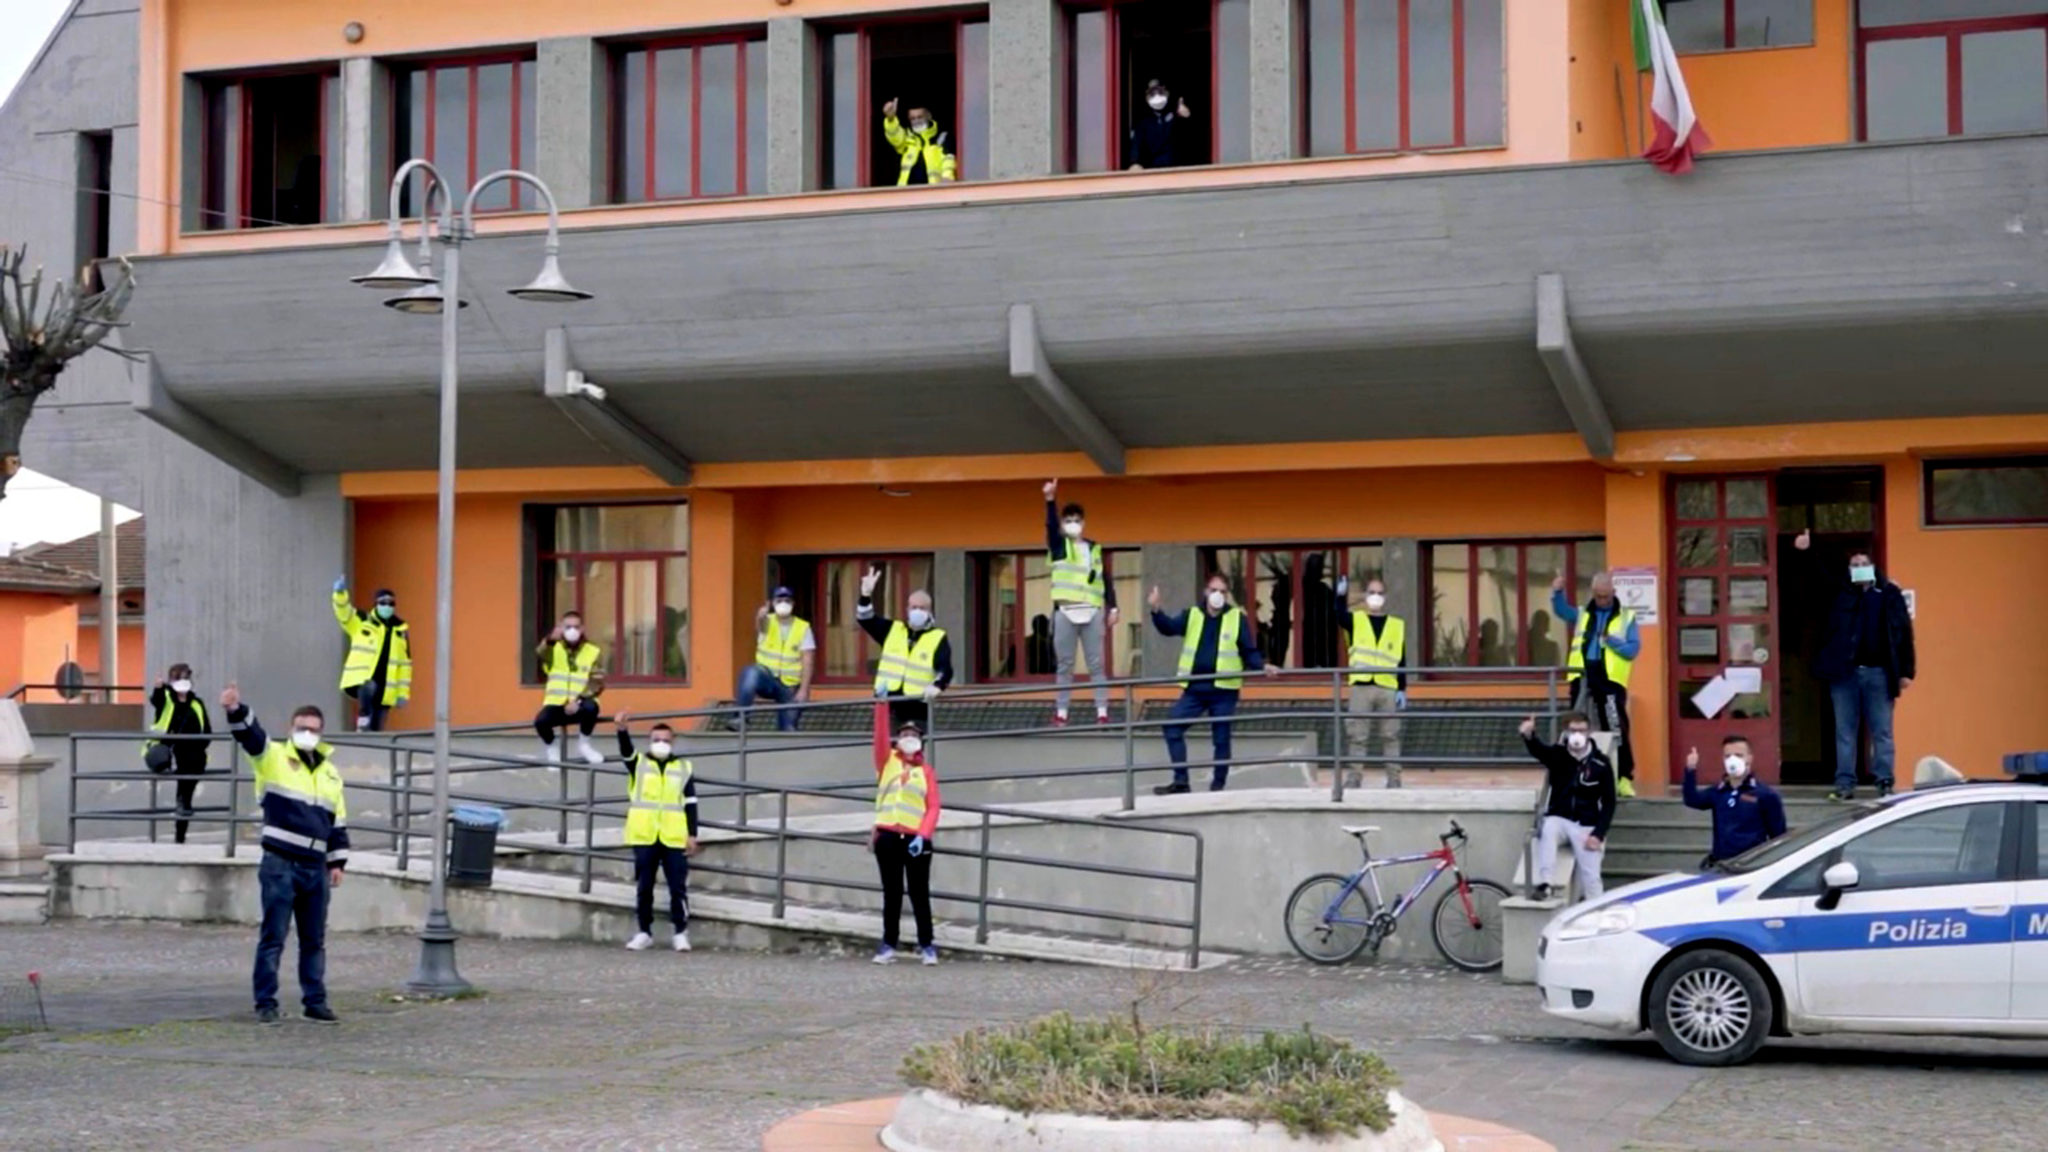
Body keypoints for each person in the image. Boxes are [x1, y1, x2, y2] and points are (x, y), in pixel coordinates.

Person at [220, 683, 347, 1026]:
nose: (308, 734)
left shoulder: (330, 773)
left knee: (314, 940)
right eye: (302, 728)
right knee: (273, 937)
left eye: (314, 730)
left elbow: (337, 821)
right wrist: (235, 709)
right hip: (280, 863)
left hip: (315, 867)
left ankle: (315, 1002)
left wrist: (336, 862)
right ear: (292, 729)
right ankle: (266, 1003)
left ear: (322, 733)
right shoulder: (273, 756)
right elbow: (251, 737)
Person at [1794, 530, 1915, 801]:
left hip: (1880, 674)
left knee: (1882, 731)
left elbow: (1903, 634)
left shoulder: (1889, 594)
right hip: (1845, 674)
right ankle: (1845, 784)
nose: (1859, 569)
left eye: (1864, 564)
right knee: (1845, 731)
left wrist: (1906, 672)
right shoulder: (1838, 594)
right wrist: (1807, 551)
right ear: (1848, 570)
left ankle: (1884, 781)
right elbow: (1816, 577)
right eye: (1855, 565)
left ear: (1873, 567)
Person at [1148, 574, 1276, 794]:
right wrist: (1156, 610)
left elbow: (1248, 651)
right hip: (1195, 689)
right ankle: (1181, 782)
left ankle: (1218, 785)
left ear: (1227, 596)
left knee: (1221, 738)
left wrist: (1262, 666)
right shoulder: (1193, 615)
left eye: (1223, 591)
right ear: (1205, 592)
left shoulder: (1237, 617)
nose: (1218, 595)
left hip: (1224, 691)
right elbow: (1168, 628)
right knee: (1172, 727)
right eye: (1214, 590)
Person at [1550, 571, 1641, 798]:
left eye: (1606, 596)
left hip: (1609, 678)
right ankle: (1570, 773)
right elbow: (1562, 611)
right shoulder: (1583, 613)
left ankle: (1623, 778)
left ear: (1613, 593)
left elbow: (1633, 650)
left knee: (1616, 726)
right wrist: (1557, 592)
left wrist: (1613, 642)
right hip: (1582, 674)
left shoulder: (1626, 617)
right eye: (1598, 596)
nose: (1602, 600)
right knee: (1574, 724)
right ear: (1593, 593)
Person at [614, 711, 698, 953]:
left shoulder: (684, 767)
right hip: (644, 834)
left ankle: (680, 932)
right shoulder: (639, 764)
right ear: (650, 741)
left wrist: (692, 834)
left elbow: (690, 802)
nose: (661, 744)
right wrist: (622, 730)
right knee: (644, 886)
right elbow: (626, 751)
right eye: (656, 739)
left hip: (674, 836)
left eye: (666, 740)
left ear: (673, 742)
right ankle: (644, 932)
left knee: (677, 888)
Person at [1043, 479, 1120, 726]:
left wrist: (1114, 607)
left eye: (1077, 520)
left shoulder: (1095, 549)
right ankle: (1062, 712)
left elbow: (1105, 579)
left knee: (1096, 664)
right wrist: (1050, 500)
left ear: (1083, 523)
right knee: (1064, 665)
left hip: (1092, 612)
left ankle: (1102, 712)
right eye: (1068, 520)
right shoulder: (1059, 547)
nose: (1073, 524)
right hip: (1065, 611)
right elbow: (1050, 526)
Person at [871, 710, 942, 965]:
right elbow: (878, 737)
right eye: (904, 734)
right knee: (892, 892)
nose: (909, 737)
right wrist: (881, 704)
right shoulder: (886, 761)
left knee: (919, 892)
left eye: (914, 734)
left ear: (921, 740)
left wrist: (923, 836)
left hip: (915, 840)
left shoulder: (926, 772)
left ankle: (927, 945)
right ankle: (888, 944)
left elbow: (933, 806)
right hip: (888, 835)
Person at [1520, 712, 1615, 901]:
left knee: (1592, 879)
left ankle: (1596, 914)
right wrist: (1529, 735)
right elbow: (1538, 750)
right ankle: (1545, 883)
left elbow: (1609, 801)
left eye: (1581, 730)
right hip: (1562, 819)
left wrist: (1598, 833)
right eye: (1573, 730)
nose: (1577, 735)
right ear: (1566, 732)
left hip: (1587, 825)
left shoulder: (1600, 763)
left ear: (1589, 732)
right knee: (1549, 827)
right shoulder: (1558, 755)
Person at [856, 567, 954, 733]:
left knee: (911, 751)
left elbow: (945, 669)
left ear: (930, 611)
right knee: (888, 753)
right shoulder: (893, 629)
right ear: (907, 609)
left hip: (916, 706)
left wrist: (938, 685)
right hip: (887, 703)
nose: (917, 611)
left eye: (922, 608)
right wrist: (865, 595)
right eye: (914, 607)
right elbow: (865, 618)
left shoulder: (937, 637)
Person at [1336, 575, 1406, 789]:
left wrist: (1402, 689)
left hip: (1387, 687)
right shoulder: (1356, 620)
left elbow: (1402, 659)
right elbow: (1338, 615)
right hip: (1362, 686)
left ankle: (1394, 779)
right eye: (1371, 592)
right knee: (1357, 735)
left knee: (1391, 735)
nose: (1376, 597)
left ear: (1385, 597)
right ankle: (1354, 777)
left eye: (1379, 593)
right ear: (1365, 596)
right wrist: (1340, 596)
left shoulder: (1396, 625)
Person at [1682, 737, 1787, 865]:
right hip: (1721, 864)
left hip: (1749, 865)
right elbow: (1692, 800)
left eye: (1738, 755)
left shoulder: (1765, 795)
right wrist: (1690, 769)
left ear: (1749, 758)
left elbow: (1778, 836)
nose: (1732, 760)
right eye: (1728, 756)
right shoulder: (1718, 791)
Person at [144, 663, 213, 844]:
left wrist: (199, 743)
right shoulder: (166, 696)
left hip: (193, 753)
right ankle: (181, 817)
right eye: (178, 678)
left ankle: (182, 819)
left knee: (188, 783)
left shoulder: (197, 703)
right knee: (185, 785)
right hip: (167, 750)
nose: (183, 682)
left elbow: (206, 730)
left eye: (185, 677)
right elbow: (156, 701)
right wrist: (158, 688)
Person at [332, 577, 411, 732]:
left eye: (391, 603)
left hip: (387, 686)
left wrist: (403, 693)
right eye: (383, 602)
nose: (387, 606)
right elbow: (344, 613)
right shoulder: (362, 621)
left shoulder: (400, 630)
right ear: (375, 604)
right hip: (364, 679)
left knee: (377, 729)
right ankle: (363, 721)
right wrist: (340, 594)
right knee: (368, 691)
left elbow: (405, 665)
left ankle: (372, 747)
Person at [734, 587, 814, 732]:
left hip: (790, 687)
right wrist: (760, 616)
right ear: (772, 603)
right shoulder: (768, 621)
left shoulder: (803, 627)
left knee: (788, 730)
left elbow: (807, 660)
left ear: (793, 604)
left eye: (787, 600)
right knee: (750, 672)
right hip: (767, 679)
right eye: (779, 600)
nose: (783, 603)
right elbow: (760, 625)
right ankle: (741, 717)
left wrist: (803, 690)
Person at [535, 610, 606, 765]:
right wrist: (549, 640)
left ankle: (584, 744)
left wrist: (578, 701)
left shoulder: (593, 651)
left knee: (591, 708)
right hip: (556, 703)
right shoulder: (553, 648)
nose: (572, 631)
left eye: (576, 627)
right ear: (561, 628)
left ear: (582, 629)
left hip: (580, 704)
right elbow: (540, 654)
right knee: (541, 722)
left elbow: (597, 681)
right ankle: (552, 749)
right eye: (568, 627)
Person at [881, 98, 956, 186]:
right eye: (912, 118)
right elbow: (895, 137)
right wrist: (891, 119)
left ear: (929, 116)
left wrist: (947, 177)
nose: (916, 121)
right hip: (905, 194)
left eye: (920, 117)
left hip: (934, 192)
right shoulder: (907, 138)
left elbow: (948, 159)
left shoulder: (941, 136)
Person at [1125, 79, 1194, 170]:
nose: (1157, 96)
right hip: (1155, 169)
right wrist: (1135, 162)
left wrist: (1187, 117)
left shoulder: (1177, 113)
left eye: (1160, 92)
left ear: (1167, 92)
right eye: (1152, 93)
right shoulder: (1143, 122)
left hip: (1179, 168)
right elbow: (1136, 144)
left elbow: (1190, 136)